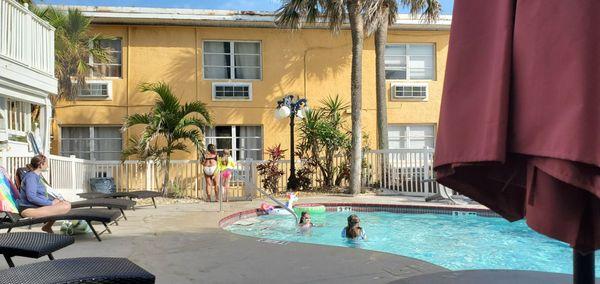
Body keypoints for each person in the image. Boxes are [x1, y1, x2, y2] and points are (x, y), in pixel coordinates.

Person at [18, 155, 71, 233]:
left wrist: (55, 201)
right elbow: (31, 197)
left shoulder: (37, 176)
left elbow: (40, 195)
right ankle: (47, 226)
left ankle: (47, 227)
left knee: (64, 203)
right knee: (65, 206)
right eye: (46, 163)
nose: (47, 165)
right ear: (41, 165)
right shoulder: (31, 177)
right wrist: (51, 203)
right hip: (29, 210)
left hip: (37, 207)